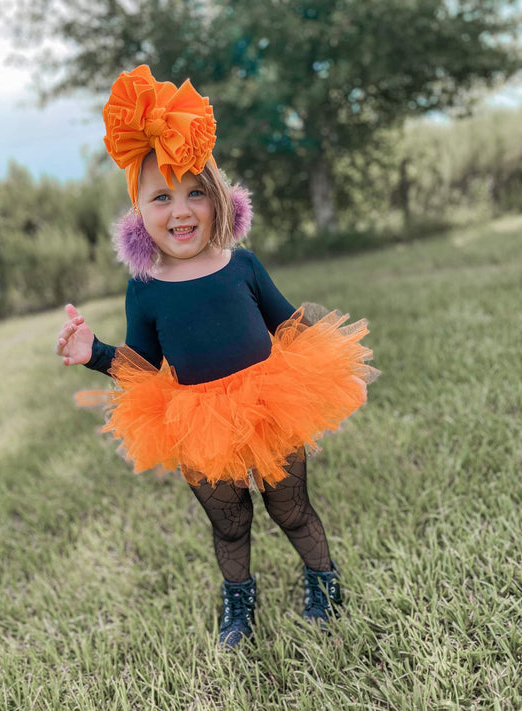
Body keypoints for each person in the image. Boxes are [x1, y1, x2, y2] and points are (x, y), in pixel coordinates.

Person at [55, 65, 379, 650]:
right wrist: (94, 353)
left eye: (194, 192)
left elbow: (289, 324)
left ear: (218, 198)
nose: (180, 210)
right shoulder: (147, 287)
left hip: (269, 403)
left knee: (292, 507)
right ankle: (239, 604)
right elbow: (144, 365)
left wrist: (334, 363)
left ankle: (324, 582)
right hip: (198, 420)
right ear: (140, 214)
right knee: (230, 523)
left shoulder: (243, 266)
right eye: (162, 197)